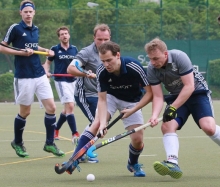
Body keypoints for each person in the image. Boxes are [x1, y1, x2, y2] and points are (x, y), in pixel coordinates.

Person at [62, 41, 153, 177]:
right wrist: (103, 124)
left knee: (138, 140)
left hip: (132, 101)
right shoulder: (102, 71)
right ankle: (74, 159)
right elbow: (102, 99)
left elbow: (150, 93)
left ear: (118, 55)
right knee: (97, 123)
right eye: (103, 61)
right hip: (110, 97)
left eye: (109, 60)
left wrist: (133, 110)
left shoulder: (133, 66)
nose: (106, 64)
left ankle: (132, 163)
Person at [145, 38, 220, 179]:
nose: (153, 62)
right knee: (167, 126)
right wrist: (155, 115)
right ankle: (172, 163)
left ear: (165, 54)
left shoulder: (179, 57)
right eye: (150, 59)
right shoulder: (151, 69)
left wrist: (172, 108)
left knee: (208, 127)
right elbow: (158, 96)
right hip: (175, 96)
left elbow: (189, 86)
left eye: (156, 58)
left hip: (197, 93)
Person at [1, 0, 65, 158]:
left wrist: (46, 50)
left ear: (34, 13)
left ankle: (49, 143)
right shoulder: (15, 28)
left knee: (51, 107)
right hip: (24, 76)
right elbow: (2, 47)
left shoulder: (35, 29)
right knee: (25, 112)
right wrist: (22, 53)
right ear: (21, 13)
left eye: (31, 11)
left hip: (39, 74)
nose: (28, 14)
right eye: (26, 11)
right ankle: (17, 142)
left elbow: (34, 47)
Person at [67, 23, 111, 163]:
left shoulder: (112, 50)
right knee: (96, 123)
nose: (103, 43)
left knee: (102, 122)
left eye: (105, 39)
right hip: (86, 93)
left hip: (101, 94)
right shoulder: (86, 52)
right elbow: (71, 68)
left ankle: (82, 145)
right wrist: (86, 74)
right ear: (94, 38)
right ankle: (80, 153)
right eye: (99, 39)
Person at [43, 26, 80, 145]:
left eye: (66, 33)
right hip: (61, 81)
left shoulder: (74, 49)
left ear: (69, 35)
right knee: (70, 106)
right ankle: (75, 133)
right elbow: (47, 64)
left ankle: (56, 129)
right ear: (59, 37)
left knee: (66, 110)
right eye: (62, 34)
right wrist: (46, 72)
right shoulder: (54, 49)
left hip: (73, 80)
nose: (64, 35)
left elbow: (78, 64)